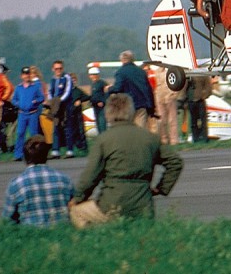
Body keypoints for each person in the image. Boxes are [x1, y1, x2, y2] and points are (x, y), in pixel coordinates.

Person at [69, 94, 183, 227]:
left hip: (111, 203)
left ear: (108, 114)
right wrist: (161, 188)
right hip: (143, 205)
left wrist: (78, 198)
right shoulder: (150, 138)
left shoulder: (104, 140)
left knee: (77, 212)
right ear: (131, 112)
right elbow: (175, 162)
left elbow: (90, 176)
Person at [2, 135, 74, 226]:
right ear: (46, 155)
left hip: (31, 235)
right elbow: (75, 210)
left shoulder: (16, 184)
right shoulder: (65, 180)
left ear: (25, 158)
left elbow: (7, 220)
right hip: (62, 234)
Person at [108, 50, 155, 129]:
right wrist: (151, 105)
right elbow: (148, 88)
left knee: (129, 128)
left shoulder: (120, 72)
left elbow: (118, 88)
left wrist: (110, 89)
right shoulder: (141, 71)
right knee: (141, 127)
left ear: (122, 60)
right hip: (142, 104)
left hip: (127, 104)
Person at [11, 67, 46, 161]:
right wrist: (19, 104)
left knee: (33, 134)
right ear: (22, 76)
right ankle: (18, 154)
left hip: (32, 113)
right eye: (25, 74)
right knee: (20, 133)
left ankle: (35, 153)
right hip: (22, 114)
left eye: (28, 74)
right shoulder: (19, 88)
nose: (27, 76)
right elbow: (14, 100)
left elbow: (41, 98)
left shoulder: (35, 87)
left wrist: (35, 101)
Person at [49, 60, 74, 159]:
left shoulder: (67, 78)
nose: (58, 70)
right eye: (56, 69)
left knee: (67, 127)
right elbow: (50, 91)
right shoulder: (53, 79)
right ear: (53, 69)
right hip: (55, 105)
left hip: (65, 105)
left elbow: (67, 91)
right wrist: (52, 101)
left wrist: (59, 101)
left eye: (60, 68)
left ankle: (70, 150)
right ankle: (55, 150)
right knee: (56, 127)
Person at [152, 66, 180, 145]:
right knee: (161, 120)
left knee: (172, 120)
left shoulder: (171, 71)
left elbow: (177, 83)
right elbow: (155, 85)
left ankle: (174, 140)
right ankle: (164, 139)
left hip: (170, 97)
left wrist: (174, 94)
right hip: (160, 97)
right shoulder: (156, 72)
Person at [186, 76, 212, 143]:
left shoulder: (203, 73)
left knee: (203, 120)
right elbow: (183, 86)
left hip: (200, 100)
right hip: (191, 100)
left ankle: (204, 137)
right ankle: (195, 138)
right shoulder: (188, 74)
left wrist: (205, 95)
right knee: (193, 121)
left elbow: (208, 86)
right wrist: (184, 99)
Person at [69, 72, 89, 152]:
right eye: (71, 80)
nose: (73, 81)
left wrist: (80, 101)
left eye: (74, 80)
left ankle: (83, 147)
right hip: (69, 114)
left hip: (78, 113)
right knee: (71, 131)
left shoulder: (78, 91)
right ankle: (73, 146)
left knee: (80, 130)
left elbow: (87, 97)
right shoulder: (67, 92)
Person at [88, 66, 108, 134]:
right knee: (98, 125)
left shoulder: (102, 83)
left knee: (102, 124)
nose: (94, 76)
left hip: (101, 108)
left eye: (95, 74)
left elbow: (107, 94)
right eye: (92, 75)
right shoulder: (93, 84)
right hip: (95, 107)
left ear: (98, 75)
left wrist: (102, 101)